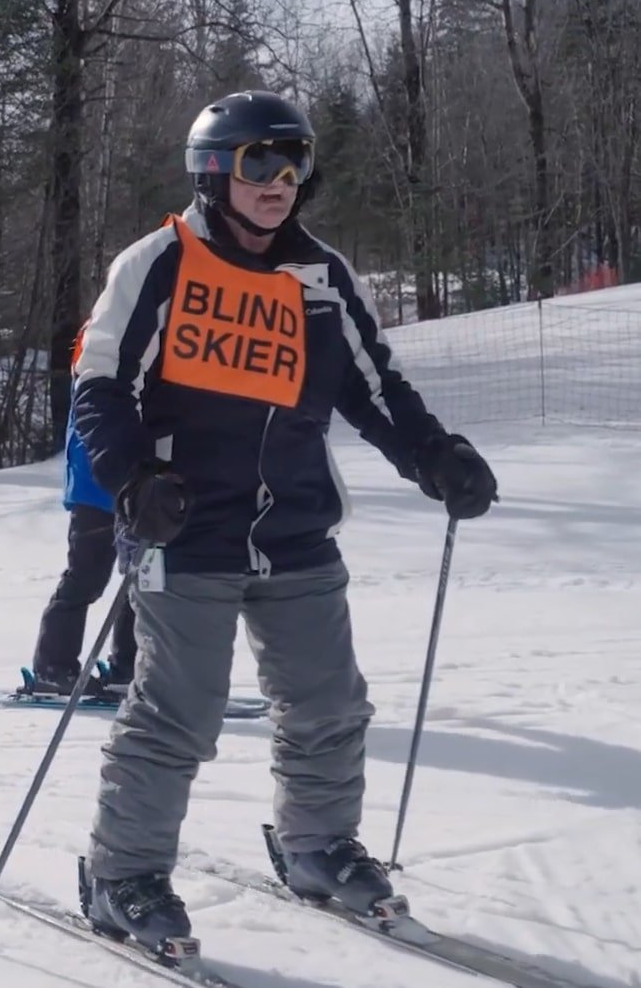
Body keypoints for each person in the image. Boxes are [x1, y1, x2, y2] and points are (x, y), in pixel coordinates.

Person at [70, 90, 498, 953]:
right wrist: (133, 478)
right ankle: (124, 875)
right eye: (258, 161)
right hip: (183, 529)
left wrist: (432, 455)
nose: (279, 180)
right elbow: (101, 384)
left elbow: (375, 388)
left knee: (328, 704)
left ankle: (318, 846)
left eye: (294, 161)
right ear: (213, 171)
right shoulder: (161, 262)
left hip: (294, 527)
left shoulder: (322, 276)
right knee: (177, 711)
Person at [26, 331, 137, 700]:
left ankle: (129, 666)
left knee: (141, 580)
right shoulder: (101, 356)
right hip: (96, 488)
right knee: (87, 577)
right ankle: (53, 667)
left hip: (130, 486)